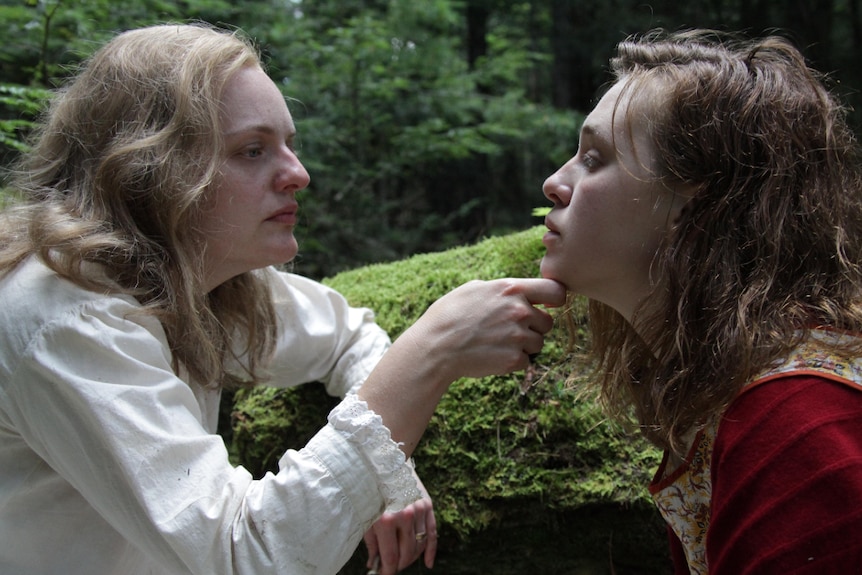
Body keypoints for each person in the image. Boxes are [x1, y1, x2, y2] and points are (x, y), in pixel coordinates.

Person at [0, 23, 566, 575]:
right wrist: (433, 351)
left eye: (288, 146)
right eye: (252, 150)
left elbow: (348, 335)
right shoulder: (68, 318)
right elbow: (248, 554)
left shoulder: (194, 280)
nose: (298, 174)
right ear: (150, 169)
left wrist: (384, 472)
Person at [540, 29, 862, 574]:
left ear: (698, 203)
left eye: (594, 159)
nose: (554, 182)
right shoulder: (739, 394)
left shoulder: (797, 422)